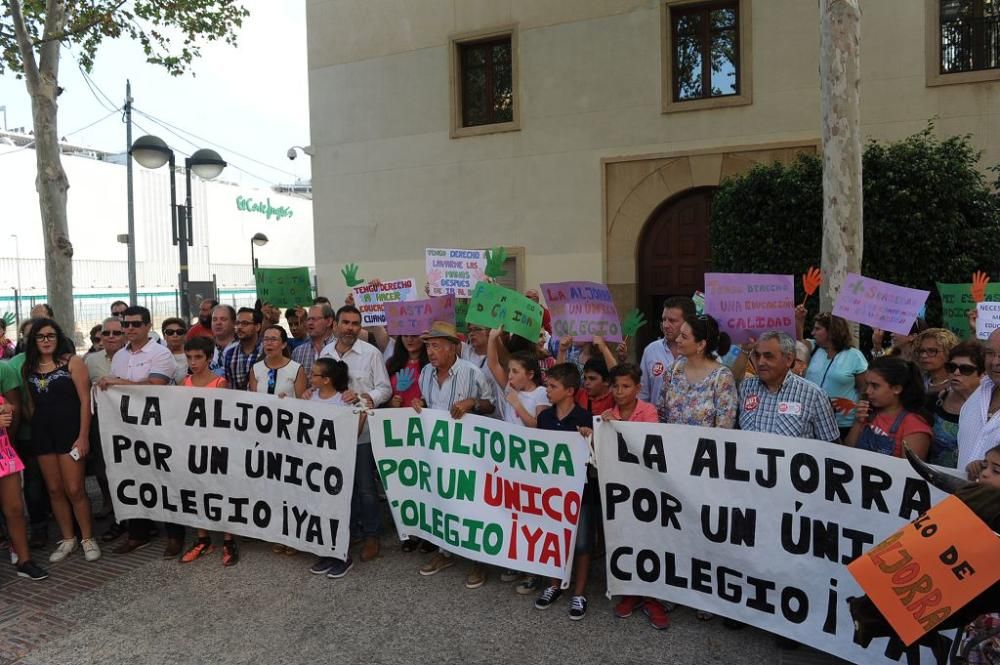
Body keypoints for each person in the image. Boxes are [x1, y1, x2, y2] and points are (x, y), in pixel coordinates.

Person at [411, 321, 496, 586]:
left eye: (436, 346)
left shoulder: (472, 373)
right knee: (441, 499)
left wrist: (472, 403)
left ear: (452, 348)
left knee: (472, 504)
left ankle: (478, 561)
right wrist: (418, 403)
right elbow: (428, 403)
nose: (431, 352)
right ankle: (444, 552)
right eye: (428, 347)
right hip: (436, 450)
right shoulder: (425, 372)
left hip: (468, 453)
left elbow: (491, 406)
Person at [311, 305, 392, 579]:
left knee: (366, 487)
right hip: (331, 435)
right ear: (334, 324)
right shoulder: (325, 353)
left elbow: (385, 388)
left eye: (355, 323)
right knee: (339, 488)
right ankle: (352, 532)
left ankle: (371, 535)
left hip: (362, 431)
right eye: (345, 322)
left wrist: (366, 397)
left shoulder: (371, 354)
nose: (350, 328)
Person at [97, 306, 178, 556]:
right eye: (126, 324)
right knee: (133, 478)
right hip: (129, 429)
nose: (129, 328)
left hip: (159, 428)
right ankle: (138, 533)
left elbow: (155, 385)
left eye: (135, 324)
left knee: (166, 479)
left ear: (147, 325)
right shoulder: (120, 356)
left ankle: (175, 534)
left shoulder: (161, 353)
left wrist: (117, 383)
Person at [22, 318, 101, 564]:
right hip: (43, 434)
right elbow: (31, 405)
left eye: (51, 336)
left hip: (70, 432)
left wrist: (83, 436)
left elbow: (85, 402)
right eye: (40, 337)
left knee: (75, 489)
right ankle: (68, 538)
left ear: (58, 338)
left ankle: (87, 538)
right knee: (54, 489)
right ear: (33, 340)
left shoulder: (72, 362)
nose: (46, 341)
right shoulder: (29, 367)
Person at [598, 363, 671, 630]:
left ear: (638, 388)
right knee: (625, 539)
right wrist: (597, 430)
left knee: (650, 540)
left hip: (647, 487)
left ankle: (652, 598)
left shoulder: (648, 412)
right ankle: (630, 591)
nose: (619, 391)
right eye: (615, 386)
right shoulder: (608, 415)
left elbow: (648, 444)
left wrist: (616, 427)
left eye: (626, 386)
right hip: (620, 488)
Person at [529, 363, 595, 619]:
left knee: (582, 543)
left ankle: (579, 593)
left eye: (553, 386)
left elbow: (596, 456)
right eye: (547, 385)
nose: (547, 389)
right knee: (553, 538)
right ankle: (553, 585)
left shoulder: (585, 419)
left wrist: (591, 437)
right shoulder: (544, 418)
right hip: (551, 492)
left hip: (580, 492)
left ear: (569, 391)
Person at [176, 336, 237, 566]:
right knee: (196, 491)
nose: (193, 362)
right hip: (192, 445)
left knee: (221, 491)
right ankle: (203, 539)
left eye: (198, 357)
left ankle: (228, 540)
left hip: (216, 446)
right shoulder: (185, 382)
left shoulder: (220, 383)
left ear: (209, 358)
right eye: (189, 357)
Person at [738, 332, 840, 442]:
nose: (760, 362)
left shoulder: (814, 396)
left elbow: (832, 448)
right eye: (757, 356)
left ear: (788, 359)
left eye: (768, 356)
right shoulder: (745, 387)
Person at [84, 317, 127, 536]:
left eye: (116, 333)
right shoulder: (89, 361)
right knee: (102, 467)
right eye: (106, 333)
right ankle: (109, 504)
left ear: (125, 334)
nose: (111, 337)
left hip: (130, 426)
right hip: (100, 423)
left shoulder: (133, 358)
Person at [845, 356, 933, 460]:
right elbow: (846, 452)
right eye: (867, 384)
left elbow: (908, 472)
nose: (868, 391)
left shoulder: (914, 425)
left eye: (875, 386)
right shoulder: (869, 412)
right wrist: (858, 422)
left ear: (897, 389)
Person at [799, 310, 867, 440]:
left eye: (817, 329)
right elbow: (798, 343)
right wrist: (799, 322)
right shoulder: (813, 348)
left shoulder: (855, 356)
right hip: (811, 422)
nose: (813, 333)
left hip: (843, 425)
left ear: (831, 331)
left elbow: (864, 390)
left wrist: (859, 415)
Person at [0, 395, 47, 579]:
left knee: (16, 509)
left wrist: (7, 408)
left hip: (3, 452)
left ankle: (24, 561)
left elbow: (8, 405)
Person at [927, 341, 983, 469]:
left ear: (983, 374)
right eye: (951, 367)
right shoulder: (935, 400)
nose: (956, 373)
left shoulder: (989, 411)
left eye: (966, 369)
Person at [638, 296, 696, 404]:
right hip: (655, 420)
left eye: (672, 321)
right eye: (664, 319)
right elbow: (642, 396)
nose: (665, 325)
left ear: (688, 322)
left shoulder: (702, 353)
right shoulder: (651, 350)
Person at [486, 328, 549, 427]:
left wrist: (517, 404)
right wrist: (492, 338)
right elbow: (493, 364)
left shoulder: (541, 392)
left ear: (530, 374)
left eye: (515, 371)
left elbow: (538, 426)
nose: (510, 376)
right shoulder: (510, 389)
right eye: (510, 370)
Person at [248, 326, 306, 399]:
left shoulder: (297, 369)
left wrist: (288, 400)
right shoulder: (255, 369)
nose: (269, 343)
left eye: (273, 339)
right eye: (266, 339)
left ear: (284, 344)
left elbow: (302, 403)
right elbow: (253, 400)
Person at [223, 307, 263, 391]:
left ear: (257, 327)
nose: (239, 327)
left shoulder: (266, 351)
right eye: (237, 323)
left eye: (245, 323)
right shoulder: (230, 353)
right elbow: (229, 385)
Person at [292, 304, 336, 378]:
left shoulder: (340, 348)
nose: (310, 323)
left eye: (314, 319)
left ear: (329, 321)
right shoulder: (298, 352)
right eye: (308, 319)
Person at [386, 334, 429, 409]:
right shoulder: (391, 363)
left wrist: (423, 403)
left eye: (414, 336)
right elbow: (383, 391)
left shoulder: (432, 364)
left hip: (423, 417)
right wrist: (390, 403)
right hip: (396, 417)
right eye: (405, 336)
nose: (409, 340)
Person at [914, 328, 960, 397]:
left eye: (932, 351)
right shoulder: (916, 383)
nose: (923, 355)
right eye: (921, 351)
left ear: (949, 353)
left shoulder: (960, 384)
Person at [209, 305, 237, 377]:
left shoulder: (242, 348)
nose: (218, 323)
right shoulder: (204, 347)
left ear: (234, 323)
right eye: (214, 319)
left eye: (223, 319)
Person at [161, 317, 189, 384]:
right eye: (170, 332)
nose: (175, 335)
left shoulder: (193, 354)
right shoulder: (159, 355)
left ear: (185, 335)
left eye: (179, 332)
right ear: (164, 336)